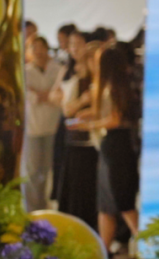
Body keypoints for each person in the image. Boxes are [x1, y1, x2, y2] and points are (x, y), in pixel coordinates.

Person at [72, 44, 139, 254]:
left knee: (123, 201)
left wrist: (89, 125)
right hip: (109, 147)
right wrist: (87, 114)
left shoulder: (116, 87)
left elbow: (115, 119)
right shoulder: (109, 86)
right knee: (105, 205)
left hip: (117, 147)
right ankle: (103, 250)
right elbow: (105, 112)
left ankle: (148, 244)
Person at [55, 34, 99, 230]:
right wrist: (82, 103)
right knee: (75, 189)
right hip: (75, 141)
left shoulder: (98, 81)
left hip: (93, 143)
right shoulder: (73, 78)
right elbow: (67, 110)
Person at [23, 35, 62, 211]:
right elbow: (29, 96)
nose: (38, 51)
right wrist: (46, 94)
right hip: (32, 127)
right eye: (34, 48)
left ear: (47, 48)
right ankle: (32, 208)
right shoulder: (25, 71)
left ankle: (43, 205)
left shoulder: (57, 69)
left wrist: (40, 94)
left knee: (46, 169)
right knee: (32, 170)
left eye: (41, 47)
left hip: (52, 126)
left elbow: (58, 96)